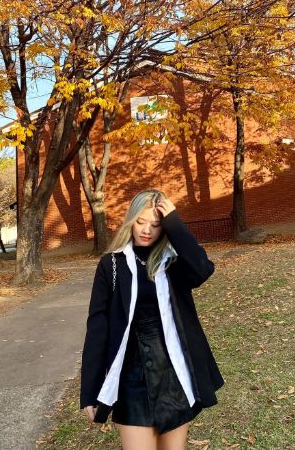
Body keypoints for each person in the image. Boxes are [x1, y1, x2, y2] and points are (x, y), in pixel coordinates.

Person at [80, 189, 224, 450]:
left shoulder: (172, 261)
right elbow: (98, 328)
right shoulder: (112, 264)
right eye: (140, 222)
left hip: (172, 371)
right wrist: (90, 389)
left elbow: (202, 269)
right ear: (130, 221)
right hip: (131, 376)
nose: (146, 230)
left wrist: (174, 222)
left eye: (156, 225)